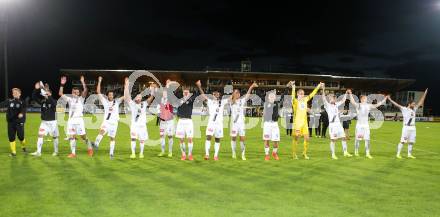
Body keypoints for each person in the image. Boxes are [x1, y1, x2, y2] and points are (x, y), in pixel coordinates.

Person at [59, 75, 95, 158]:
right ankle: (73, 153)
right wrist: (62, 84)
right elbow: (60, 93)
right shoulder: (69, 99)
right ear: (72, 93)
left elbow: (85, 90)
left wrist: (82, 82)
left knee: (83, 137)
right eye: (74, 92)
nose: (75, 94)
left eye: (77, 92)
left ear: (79, 93)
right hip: (71, 120)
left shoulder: (81, 99)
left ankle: (90, 149)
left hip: (79, 120)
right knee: (72, 136)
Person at [389, 89, 428, 159]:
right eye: (413, 103)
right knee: (402, 141)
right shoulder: (404, 109)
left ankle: (409, 154)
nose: (414, 104)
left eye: (414, 103)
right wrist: (390, 99)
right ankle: (398, 154)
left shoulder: (414, 109)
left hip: (413, 128)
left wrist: (425, 93)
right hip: (406, 128)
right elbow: (396, 104)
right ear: (409, 104)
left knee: (411, 142)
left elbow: (421, 101)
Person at [348, 90, 388, 159]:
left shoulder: (368, 105)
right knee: (358, 139)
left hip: (366, 126)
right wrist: (350, 94)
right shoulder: (359, 105)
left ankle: (367, 153)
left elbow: (377, 105)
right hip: (359, 126)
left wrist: (384, 99)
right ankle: (356, 151)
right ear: (362, 99)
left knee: (367, 139)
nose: (366, 99)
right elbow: (352, 102)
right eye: (365, 98)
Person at [196, 80, 229, 161]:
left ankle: (215, 155)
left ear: (219, 95)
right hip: (211, 123)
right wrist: (199, 86)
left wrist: (229, 88)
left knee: (217, 139)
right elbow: (203, 95)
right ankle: (207, 154)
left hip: (219, 124)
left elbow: (231, 98)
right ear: (212, 95)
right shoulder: (210, 102)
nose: (215, 95)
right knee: (208, 137)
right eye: (214, 94)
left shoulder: (222, 102)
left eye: (217, 94)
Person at [124, 77, 156, 159]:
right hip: (134, 125)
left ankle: (141, 153)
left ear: (141, 98)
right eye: (137, 96)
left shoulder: (144, 104)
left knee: (142, 140)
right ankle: (133, 153)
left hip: (142, 125)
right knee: (133, 139)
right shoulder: (132, 104)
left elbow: (151, 98)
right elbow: (127, 96)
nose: (138, 97)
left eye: (139, 96)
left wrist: (152, 90)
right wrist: (126, 85)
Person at [289, 81, 322, 160]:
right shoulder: (295, 101)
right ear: (298, 94)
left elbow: (312, 94)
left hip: (304, 123)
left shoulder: (305, 100)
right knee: (296, 138)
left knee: (307, 138)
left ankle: (304, 153)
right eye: (301, 93)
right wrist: (293, 87)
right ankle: (294, 154)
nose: (302, 95)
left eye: (303, 93)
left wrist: (318, 86)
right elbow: (292, 96)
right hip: (297, 123)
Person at [93, 76, 124, 159]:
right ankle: (96, 144)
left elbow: (125, 96)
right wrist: (99, 81)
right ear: (107, 96)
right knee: (102, 131)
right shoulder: (105, 102)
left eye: (112, 95)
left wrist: (127, 85)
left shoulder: (117, 102)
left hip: (114, 123)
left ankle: (111, 154)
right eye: (109, 95)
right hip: (106, 122)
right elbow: (98, 92)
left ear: (113, 96)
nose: (111, 96)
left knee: (112, 138)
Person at [322, 84, 352, 159]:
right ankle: (333, 154)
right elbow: (323, 98)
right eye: (332, 98)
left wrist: (346, 93)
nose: (334, 99)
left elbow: (343, 100)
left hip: (338, 124)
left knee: (344, 137)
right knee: (333, 140)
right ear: (329, 99)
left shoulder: (336, 104)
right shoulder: (327, 105)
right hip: (332, 125)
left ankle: (345, 152)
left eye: (334, 98)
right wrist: (323, 89)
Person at [229, 82, 258, 160]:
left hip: (241, 124)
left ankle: (243, 154)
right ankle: (234, 152)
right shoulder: (231, 102)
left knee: (242, 139)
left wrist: (251, 86)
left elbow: (248, 95)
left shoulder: (241, 101)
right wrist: (233, 95)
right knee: (233, 138)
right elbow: (232, 101)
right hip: (234, 124)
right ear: (233, 94)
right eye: (236, 93)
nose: (238, 94)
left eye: (238, 93)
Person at [30, 82, 59, 157]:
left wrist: (47, 94)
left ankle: (56, 151)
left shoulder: (54, 101)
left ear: (50, 94)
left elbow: (53, 104)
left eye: (47, 92)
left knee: (54, 137)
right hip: (44, 123)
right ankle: (38, 152)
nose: (45, 93)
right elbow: (34, 97)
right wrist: (36, 89)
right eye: (45, 93)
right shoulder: (42, 102)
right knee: (40, 135)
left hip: (53, 123)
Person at [173, 81, 198, 161]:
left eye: (187, 91)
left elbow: (196, 95)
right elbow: (173, 95)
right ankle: (183, 154)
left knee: (190, 139)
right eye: (184, 91)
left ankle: (190, 155)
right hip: (180, 122)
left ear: (189, 93)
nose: (186, 93)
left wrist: (198, 86)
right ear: (183, 92)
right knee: (181, 139)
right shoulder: (179, 100)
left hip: (188, 122)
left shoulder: (191, 100)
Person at [0, 88, 27, 156]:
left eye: (16, 92)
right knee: (11, 137)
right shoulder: (9, 101)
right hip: (11, 122)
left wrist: (22, 113)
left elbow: (24, 109)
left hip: (19, 122)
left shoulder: (22, 102)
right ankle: (13, 152)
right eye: (13, 93)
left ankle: (23, 147)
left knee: (21, 136)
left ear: (20, 94)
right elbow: (1, 104)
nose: (14, 94)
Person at [157, 80, 175, 158]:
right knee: (161, 136)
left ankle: (170, 152)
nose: (164, 93)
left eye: (166, 92)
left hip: (170, 121)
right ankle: (162, 151)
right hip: (162, 122)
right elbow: (158, 110)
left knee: (170, 136)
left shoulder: (170, 99)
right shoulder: (160, 100)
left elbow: (170, 93)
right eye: (163, 92)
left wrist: (168, 85)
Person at [262, 90, 281, 161]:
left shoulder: (277, 103)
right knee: (266, 140)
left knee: (276, 141)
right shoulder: (266, 104)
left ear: (275, 97)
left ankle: (274, 153)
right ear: (268, 97)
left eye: (273, 96)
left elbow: (282, 96)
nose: (272, 97)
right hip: (267, 124)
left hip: (275, 124)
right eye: (271, 96)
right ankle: (267, 155)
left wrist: (287, 87)